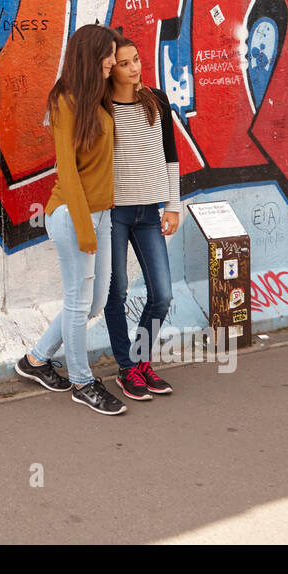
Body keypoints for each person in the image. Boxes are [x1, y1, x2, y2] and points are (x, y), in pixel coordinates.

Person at [15, 24, 127, 415]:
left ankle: (35, 359)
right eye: (108, 55)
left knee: (93, 301)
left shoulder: (100, 99)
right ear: (89, 55)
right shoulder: (65, 100)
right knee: (79, 303)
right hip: (70, 215)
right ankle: (82, 381)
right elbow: (68, 170)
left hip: (102, 215)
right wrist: (85, 229)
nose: (113, 62)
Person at [102, 36, 181, 401]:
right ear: (110, 68)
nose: (135, 68)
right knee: (114, 293)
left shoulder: (156, 100)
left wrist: (173, 205)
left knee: (162, 294)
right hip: (115, 213)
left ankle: (140, 359)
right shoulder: (101, 106)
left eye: (136, 60)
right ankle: (126, 368)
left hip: (150, 212)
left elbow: (170, 156)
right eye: (125, 63)